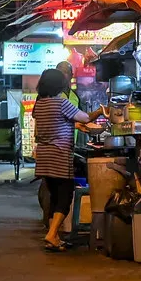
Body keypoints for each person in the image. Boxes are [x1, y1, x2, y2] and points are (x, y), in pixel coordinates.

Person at [35, 68, 103, 252]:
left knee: (54, 196)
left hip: (43, 156)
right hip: (59, 155)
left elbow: (53, 121)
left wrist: (73, 124)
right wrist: (102, 110)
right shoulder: (61, 103)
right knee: (65, 196)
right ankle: (51, 234)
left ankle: (54, 236)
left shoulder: (39, 104)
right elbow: (86, 117)